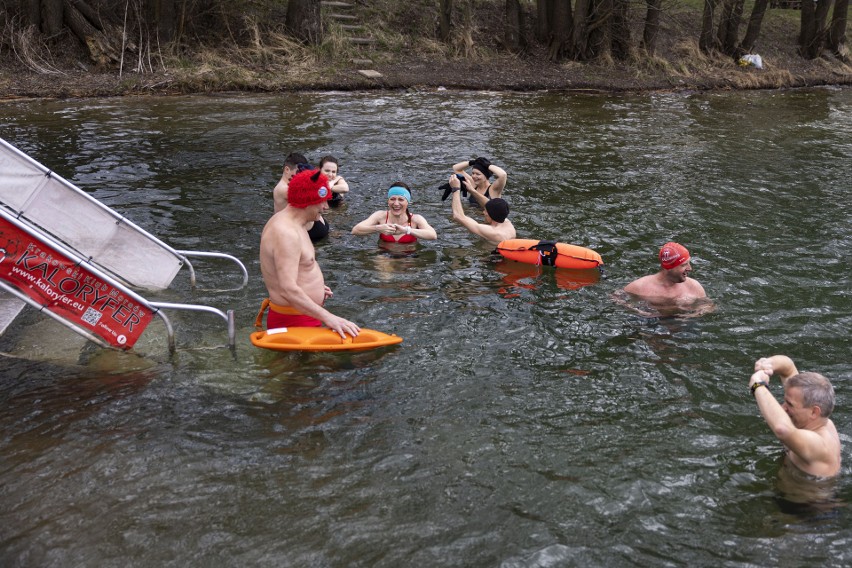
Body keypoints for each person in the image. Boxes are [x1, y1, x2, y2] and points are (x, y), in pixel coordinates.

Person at [258, 169, 360, 338]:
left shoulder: (294, 224)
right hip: (293, 320)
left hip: (302, 315)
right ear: (308, 201)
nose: (326, 207)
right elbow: (287, 289)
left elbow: (297, 268)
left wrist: (315, 286)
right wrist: (330, 318)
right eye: (322, 201)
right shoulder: (286, 233)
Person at [749, 355, 841, 478]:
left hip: (803, 497)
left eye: (790, 405)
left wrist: (757, 386)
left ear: (814, 412)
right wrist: (768, 365)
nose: (783, 408)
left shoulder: (819, 444)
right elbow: (788, 369)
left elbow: (782, 429)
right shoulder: (817, 421)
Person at [623, 242, 707, 305]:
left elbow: (708, 307)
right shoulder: (639, 287)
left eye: (689, 263)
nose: (690, 268)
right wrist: (640, 312)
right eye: (684, 265)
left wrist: (691, 315)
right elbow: (618, 299)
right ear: (669, 267)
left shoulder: (694, 287)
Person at [272, 152, 329, 243]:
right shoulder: (282, 189)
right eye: (298, 172)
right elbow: (313, 193)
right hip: (298, 232)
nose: (300, 175)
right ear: (287, 170)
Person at [351, 183, 437, 243]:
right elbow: (355, 230)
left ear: (408, 202)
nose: (396, 203)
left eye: (401, 199)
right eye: (392, 199)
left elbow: (433, 235)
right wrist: (377, 228)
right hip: (385, 254)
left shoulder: (416, 219)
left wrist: (406, 230)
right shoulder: (380, 216)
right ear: (388, 201)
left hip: (409, 255)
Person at [448, 173, 515, 245]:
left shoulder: (494, 232)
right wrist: (472, 190)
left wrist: (456, 189)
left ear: (491, 215)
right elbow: (490, 205)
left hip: (494, 255)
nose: (483, 212)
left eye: (485, 211)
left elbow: (458, 216)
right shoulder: (506, 222)